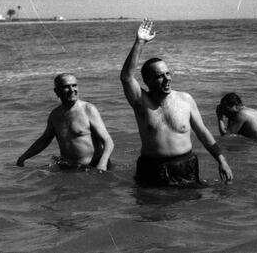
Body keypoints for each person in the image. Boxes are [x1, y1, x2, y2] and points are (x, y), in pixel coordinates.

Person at [120, 18, 233, 186]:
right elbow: (126, 77)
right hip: (151, 168)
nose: (166, 79)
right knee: (151, 211)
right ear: (146, 80)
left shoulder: (185, 99)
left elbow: (203, 133)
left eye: (168, 73)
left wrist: (221, 160)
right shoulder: (141, 102)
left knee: (186, 210)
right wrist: (140, 42)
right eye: (159, 76)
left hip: (185, 166)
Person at [16, 74, 114, 171]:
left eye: (74, 85)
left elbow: (108, 141)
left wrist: (103, 163)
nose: (72, 90)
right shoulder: (55, 115)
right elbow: (44, 140)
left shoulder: (88, 109)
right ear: (56, 91)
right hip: (70, 167)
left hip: (93, 166)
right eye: (66, 87)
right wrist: (23, 157)